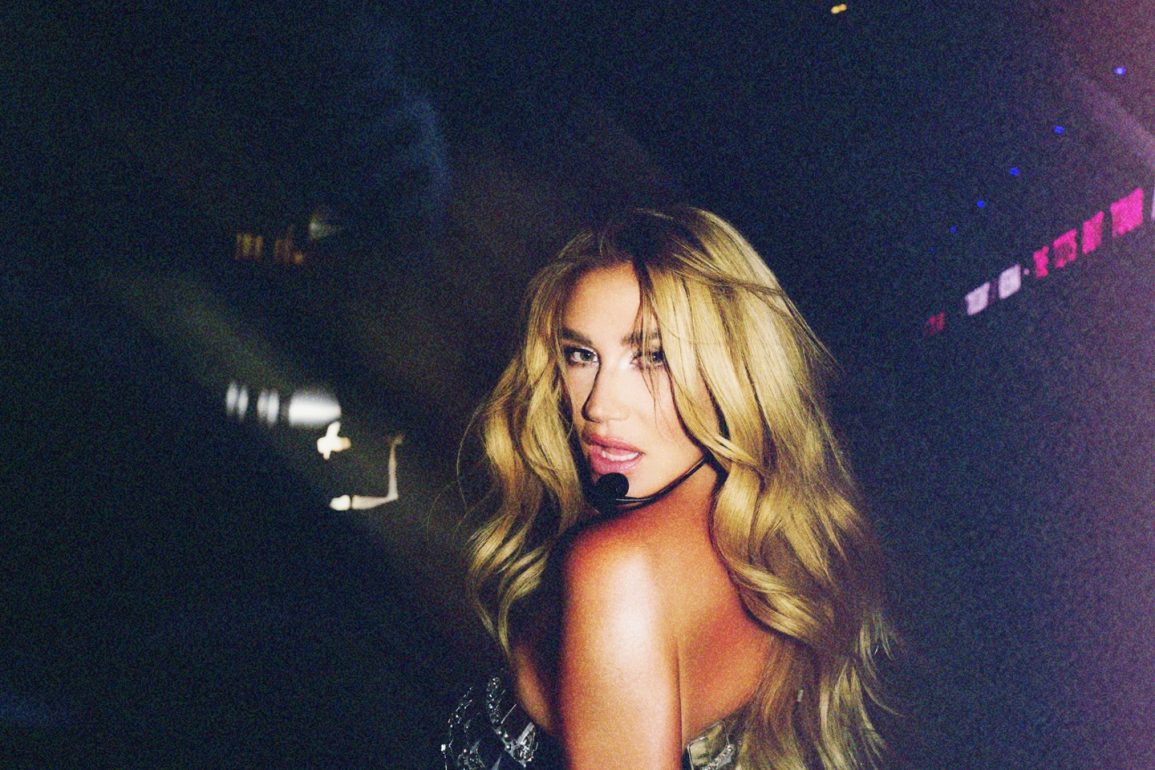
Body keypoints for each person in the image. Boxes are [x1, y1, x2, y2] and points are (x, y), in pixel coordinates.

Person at [443, 206, 892, 770]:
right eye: (581, 355)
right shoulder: (772, 541)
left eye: (653, 357)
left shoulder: (617, 568)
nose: (597, 405)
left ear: (737, 367)